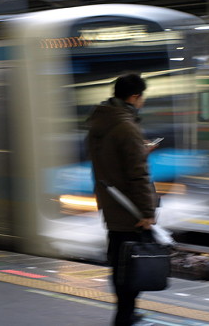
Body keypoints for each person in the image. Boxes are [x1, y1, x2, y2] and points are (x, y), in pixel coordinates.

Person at [86, 73, 157, 326]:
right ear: (134, 97)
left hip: (111, 204)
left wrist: (139, 148)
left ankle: (126, 313)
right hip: (130, 210)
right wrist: (147, 213)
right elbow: (138, 175)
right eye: (142, 98)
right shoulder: (127, 127)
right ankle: (124, 317)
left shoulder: (100, 121)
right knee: (132, 266)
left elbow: (108, 160)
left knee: (119, 261)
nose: (142, 102)